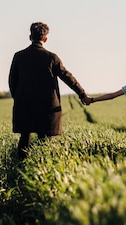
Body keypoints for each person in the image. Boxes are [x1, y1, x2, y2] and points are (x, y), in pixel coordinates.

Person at [9, 22, 92, 159]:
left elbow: (12, 81)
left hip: (24, 104)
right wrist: (82, 94)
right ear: (45, 39)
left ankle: (19, 168)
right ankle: (41, 170)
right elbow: (67, 77)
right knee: (45, 139)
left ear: (30, 37)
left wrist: (18, 98)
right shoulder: (51, 57)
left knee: (24, 138)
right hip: (46, 106)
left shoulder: (19, 56)